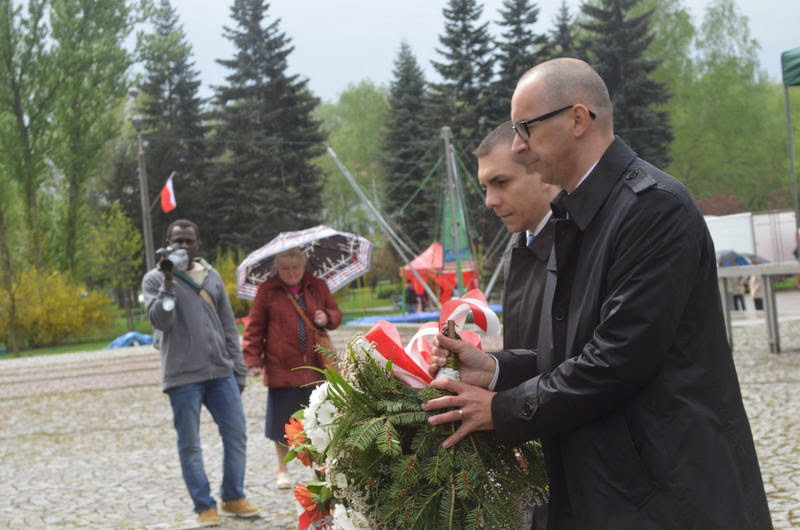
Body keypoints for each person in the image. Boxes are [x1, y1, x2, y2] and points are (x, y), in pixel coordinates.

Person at [423, 58, 772, 529]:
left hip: (668, 493)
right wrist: (496, 369)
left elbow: (617, 360)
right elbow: (573, 352)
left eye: (526, 128)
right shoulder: (577, 214)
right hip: (611, 488)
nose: (519, 145)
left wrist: (502, 411)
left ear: (577, 119)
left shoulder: (653, 210)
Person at [142, 219, 259, 527]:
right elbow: (162, 321)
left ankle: (233, 496)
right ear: (167, 243)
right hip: (182, 376)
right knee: (190, 444)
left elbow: (228, 326)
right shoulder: (154, 279)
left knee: (236, 434)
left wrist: (238, 369)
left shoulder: (212, 276)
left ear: (197, 244)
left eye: (188, 241)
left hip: (221, 372)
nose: (183, 246)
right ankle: (204, 506)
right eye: (177, 240)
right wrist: (169, 280)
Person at [243, 248, 342, 489]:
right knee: (281, 422)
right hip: (281, 366)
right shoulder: (267, 290)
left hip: (315, 365)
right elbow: (254, 327)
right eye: (285, 268)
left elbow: (336, 314)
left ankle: (322, 466)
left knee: (320, 417)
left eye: (295, 268)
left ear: (303, 266)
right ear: (277, 269)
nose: (291, 273)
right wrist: (252, 359)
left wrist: (326, 316)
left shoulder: (317, 285)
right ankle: (282, 468)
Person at [474, 120, 559, 352]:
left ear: (543, 172)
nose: (489, 201)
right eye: (485, 188)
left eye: (501, 182)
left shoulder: (578, 248)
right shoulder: (518, 250)